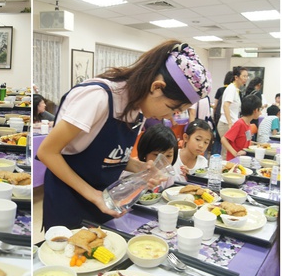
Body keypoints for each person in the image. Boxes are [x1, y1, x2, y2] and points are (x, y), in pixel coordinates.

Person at [37, 41, 212, 229]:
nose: (170, 117)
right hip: (68, 199)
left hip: (103, 200)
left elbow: (107, 155)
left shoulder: (139, 108)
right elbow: (47, 152)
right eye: (171, 108)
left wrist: (141, 168)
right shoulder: (99, 97)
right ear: (156, 87)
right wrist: (94, 196)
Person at [217, 66, 248, 158]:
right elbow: (225, 105)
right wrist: (230, 123)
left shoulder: (235, 89)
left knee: (228, 151)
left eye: (247, 76)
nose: (246, 78)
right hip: (226, 124)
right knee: (227, 152)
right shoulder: (231, 89)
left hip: (230, 123)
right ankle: (224, 166)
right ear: (236, 77)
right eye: (244, 76)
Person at [221, 94, 262, 161]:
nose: (260, 113)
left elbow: (246, 141)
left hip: (243, 158)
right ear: (255, 110)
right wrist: (235, 154)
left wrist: (258, 144)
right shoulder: (239, 123)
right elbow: (224, 139)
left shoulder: (248, 124)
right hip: (235, 160)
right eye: (260, 110)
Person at [212, 71, 234, 155]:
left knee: (217, 140)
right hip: (230, 120)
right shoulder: (235, 91)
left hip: (220, 118)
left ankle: (214, 156)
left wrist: (214, 117)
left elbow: (215, 106)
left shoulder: (220, 90)